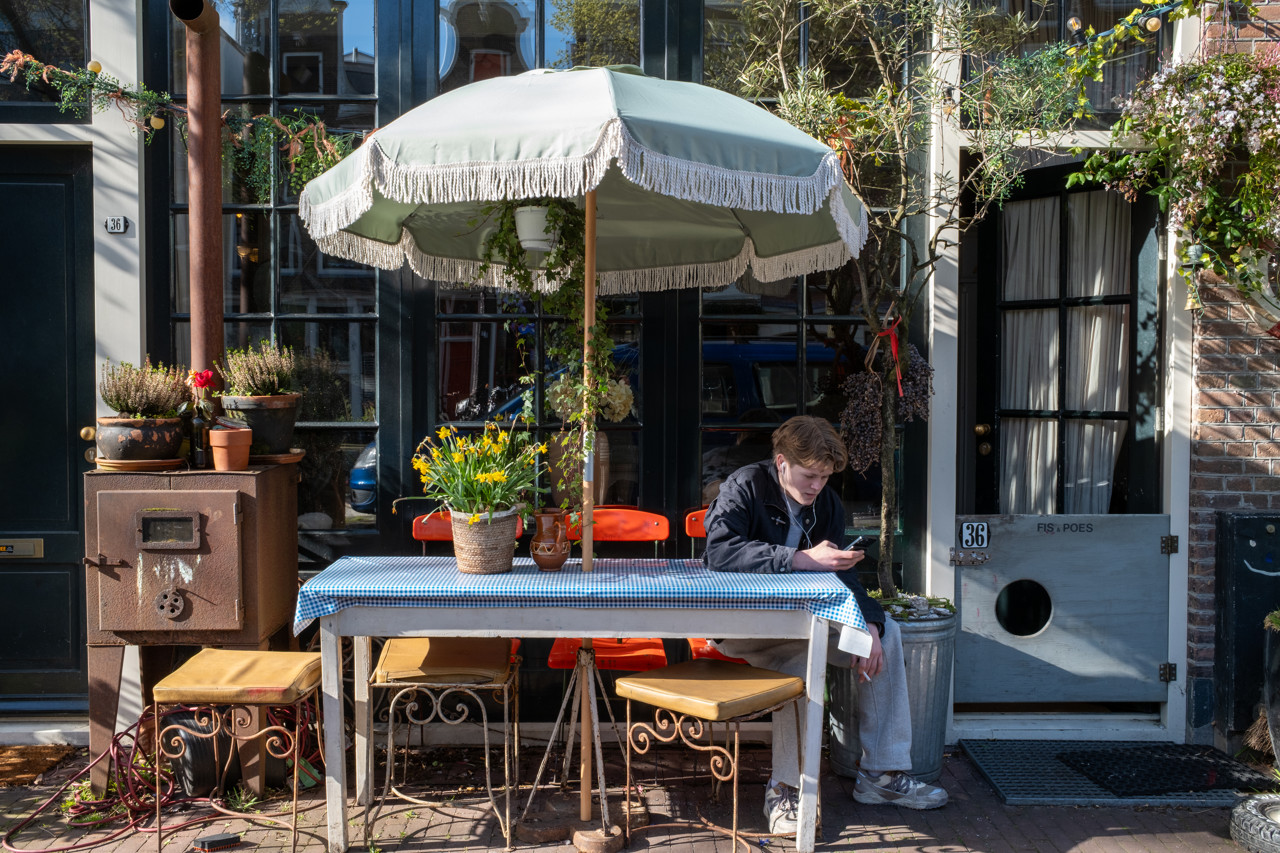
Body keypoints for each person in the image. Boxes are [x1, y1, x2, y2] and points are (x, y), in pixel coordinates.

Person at [703, 415, 947, 835]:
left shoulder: (828, 503)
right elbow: (720, 552)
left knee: (888, 632)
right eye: (809, 475)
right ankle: (784, 790)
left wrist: (868, 623)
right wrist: (799, 558)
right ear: (781, 462)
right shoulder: (745, 485)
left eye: (825, 477)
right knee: (802, 661)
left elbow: (842, 577)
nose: (817, 486)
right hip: (747, 626)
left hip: (807, 621)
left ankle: (881, 776)